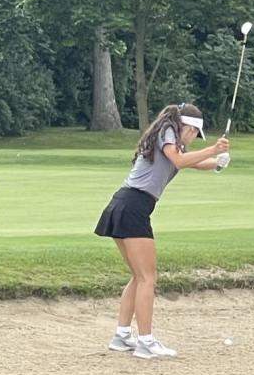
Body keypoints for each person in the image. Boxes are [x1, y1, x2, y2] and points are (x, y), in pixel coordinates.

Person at [94, 103, 230, 359]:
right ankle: (146, 341)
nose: (192, 139)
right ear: (187, 127)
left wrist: (216, 163)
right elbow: (179, 160)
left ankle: (122, 336)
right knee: (148, 278)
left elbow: (185, 162)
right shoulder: (168, 131)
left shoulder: (171, 141)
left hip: (123, 204)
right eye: (193, 133)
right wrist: (213, 149)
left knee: (138, 276)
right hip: (134, 206)